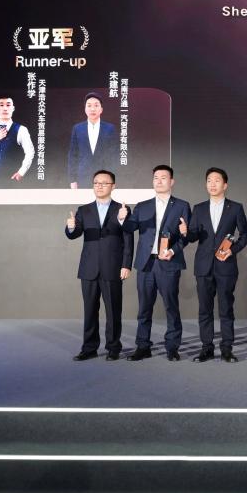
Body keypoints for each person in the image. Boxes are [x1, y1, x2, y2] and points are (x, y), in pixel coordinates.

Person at [119, 164, 190, 362]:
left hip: (169, 263)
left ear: (172, 181)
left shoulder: (182, 205)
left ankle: (172, 347)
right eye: (156, 178)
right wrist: (123, 219)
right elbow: (130, 227)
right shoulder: (142, 206)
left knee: (171, 307)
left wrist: (173, 250)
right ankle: (143, 347)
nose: (159, 181)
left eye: (163, 178)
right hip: (146, 264)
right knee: (144, 309)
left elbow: (186, 235)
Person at [65, 169, 133, 361]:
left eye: (104, 183)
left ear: (113, 186)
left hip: (113, 267)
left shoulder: (122, 209)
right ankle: (89, 348)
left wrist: (126, 264)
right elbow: (74, 234)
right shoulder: (84, 210)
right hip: (89, 268)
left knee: (113, 310)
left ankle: (113, 348)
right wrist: (71, 227)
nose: (99, 186)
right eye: (96, 183)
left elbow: (128, 238)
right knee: (89, 311)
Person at [186, 167, 247, 363]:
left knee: (226, 309)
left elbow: (246, 234)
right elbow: (192, 236)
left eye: (216, 181)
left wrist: (233, 249)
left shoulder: (236, 208)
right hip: (203, 266)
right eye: (209, 181)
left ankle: (227, 349)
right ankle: (206, 348)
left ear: (225, 185)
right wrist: (185, 232)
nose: (212, 184)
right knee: (204, 309)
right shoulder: (198, 208)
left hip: (226, 265)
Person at [68, 92, 120, 189]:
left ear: (101, 109)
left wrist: (112, 179)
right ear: (85, 109)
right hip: (83, 178)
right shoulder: (77, 128)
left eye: (96, 105)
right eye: (89, 105)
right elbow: (73, 155)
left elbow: (114, 156)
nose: (92, 109)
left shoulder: (110, 128)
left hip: (104, 178)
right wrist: (72, 180)